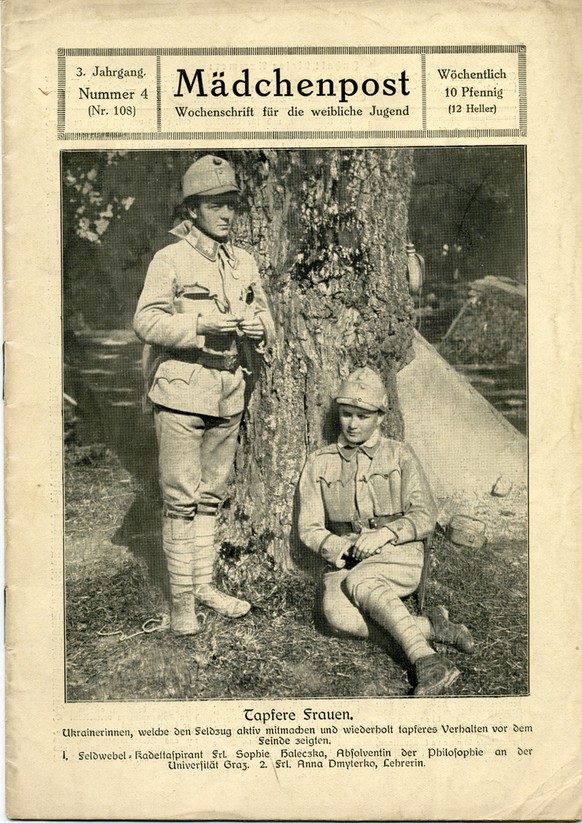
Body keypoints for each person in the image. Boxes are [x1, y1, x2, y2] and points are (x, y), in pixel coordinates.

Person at [134, 155, 274, 635]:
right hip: (179, 394)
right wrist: (198, 324)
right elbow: (146, 322)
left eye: (231, 204)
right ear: (192, 209)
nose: (227, 214)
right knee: (180, 500)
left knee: (211, 498)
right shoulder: (169, 259)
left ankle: (204, 585)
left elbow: (266, 319)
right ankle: (181, 605)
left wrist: (258, 328)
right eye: (215, 205)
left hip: (228, 393)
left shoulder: (244, 262)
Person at [298, 366, 475, 696]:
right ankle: (432, 627)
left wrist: (385, 535)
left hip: (399, 552)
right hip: (347, 555)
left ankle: (428, 662)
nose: (352, 423)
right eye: (347, 414)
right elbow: (308, 527)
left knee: (360, 581)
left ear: (380, 416)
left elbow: (425, 514)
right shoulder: (319, 462)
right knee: (336, 616)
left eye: (363, 415)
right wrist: (339, 548)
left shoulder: (399, 455)